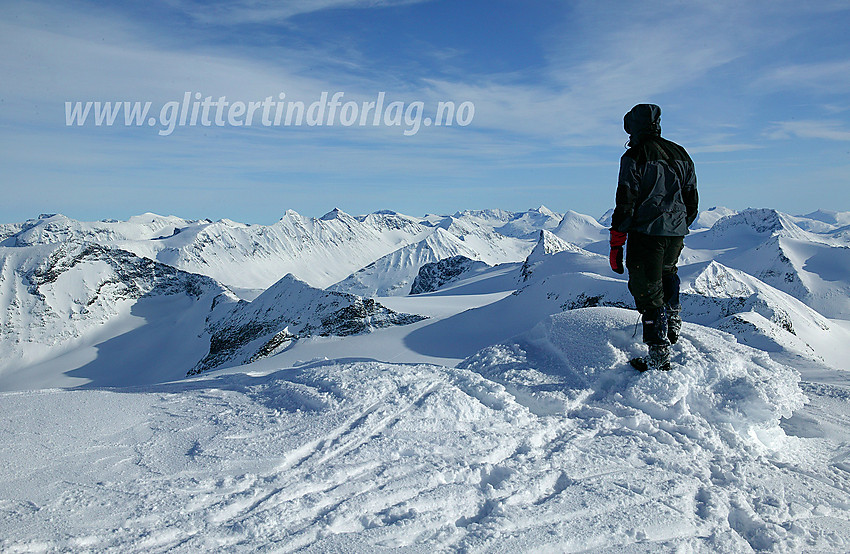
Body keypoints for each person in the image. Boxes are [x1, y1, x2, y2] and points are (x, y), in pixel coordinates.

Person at [608, 104, 698, 371]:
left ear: (632, 128)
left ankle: (659, 355)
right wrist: (679, 223)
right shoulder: (681, 153)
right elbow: (691, 198)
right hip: (676, 231)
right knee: (667, 273)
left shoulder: (635, 156)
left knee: (646, 287)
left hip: (647, 232)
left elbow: (625, 200)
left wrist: (617, 242)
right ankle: (671, 326)